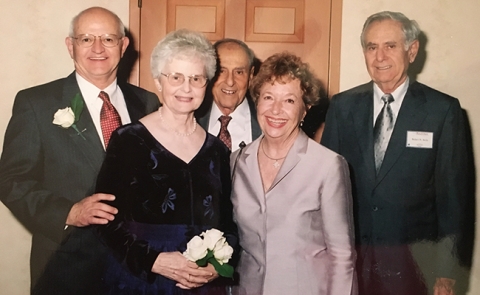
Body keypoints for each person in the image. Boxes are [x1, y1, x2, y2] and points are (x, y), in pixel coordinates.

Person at [0, 6, 160, 295]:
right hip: (66, 271)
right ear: (70, 45)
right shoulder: (36, 103)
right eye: (86, 39)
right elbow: (11, 181)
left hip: (136, 269)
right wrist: (68, 212)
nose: (98, 48)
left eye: (109, 39)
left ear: (123, 46)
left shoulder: (148, 103)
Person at [321, 11, 470, 295]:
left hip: (415, 270)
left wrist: (447, 274)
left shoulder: (442, 111)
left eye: (390, 46)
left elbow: (454, 200)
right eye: (371, 47)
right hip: (351, 265)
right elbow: (325, 187)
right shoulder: (342, 106)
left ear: (411, 51)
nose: (380, 57)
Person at [95, 29, 238, 294]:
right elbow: (105, 221)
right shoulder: (128, 140)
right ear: (159, 82)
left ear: (206, 84)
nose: (186, 88)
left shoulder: (217, 150)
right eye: (176, 77)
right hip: (141, 280)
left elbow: (228, 223)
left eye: (196, 78)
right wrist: (154, 261)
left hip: (201, 284)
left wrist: (217, 267)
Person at [230, 52, 356, 295]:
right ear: (257, 101)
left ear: (305, 109)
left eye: (289, 100)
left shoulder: (328, 165)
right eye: (268, 97)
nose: (275, 110)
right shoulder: (237, 161)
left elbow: (342, 257)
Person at [196, 38, 261, 151]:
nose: (230, 81)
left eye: (239, 72)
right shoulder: (192, 118)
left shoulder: (268, 119)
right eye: (221, 71)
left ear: (250, 76)